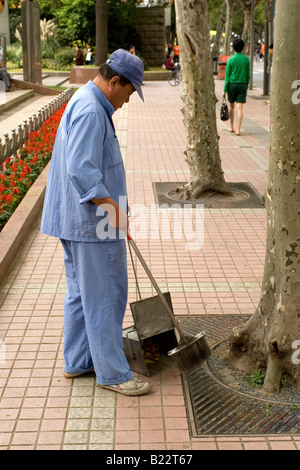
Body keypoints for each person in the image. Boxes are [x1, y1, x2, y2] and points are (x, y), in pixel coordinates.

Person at [41, 49, 151, 396]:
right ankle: (113, 373)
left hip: (76, 219)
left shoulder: (86, 99)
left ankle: (78, 361)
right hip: (92, 223)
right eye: (129, 92)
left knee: (80, 293)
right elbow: (81, 169)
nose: (127, 100)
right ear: (115, 81)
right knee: (105, 295)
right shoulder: (91, 109)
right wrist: (113, 210)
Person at [223, 37, 250, 136]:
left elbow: (227, 76)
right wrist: (246, 86)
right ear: (243, 48)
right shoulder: (246, 60)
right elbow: (248, 76)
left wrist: (225, 89)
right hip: (242, 84)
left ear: (233, 47)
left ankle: (231, 127)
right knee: (240, 108)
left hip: (232, 84)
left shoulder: (231, 60)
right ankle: (238, 129)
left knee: (231, 106)